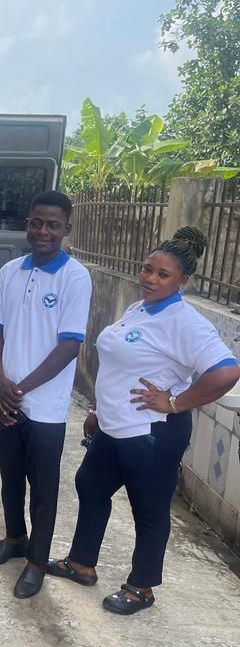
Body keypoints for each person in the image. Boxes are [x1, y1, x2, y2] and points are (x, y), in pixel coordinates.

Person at [46, 226, 239, 614]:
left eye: (162, 274)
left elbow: (226, 372)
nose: (149, 279)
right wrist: (101, 411)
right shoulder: (140, 308)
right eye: (147, 269)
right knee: (91, 486)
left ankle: (142, 587)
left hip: (152, 434)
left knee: (148, 509)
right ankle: (82, 563)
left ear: (182, 281)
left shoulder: (185, 322)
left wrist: (174, 402)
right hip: (114, 427)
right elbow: (122, 367)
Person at [0, 190, 92, 598]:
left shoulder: (75, 277)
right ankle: (14, 539)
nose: (42, 231)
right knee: (10, 478)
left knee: (43, 488)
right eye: (36, 222)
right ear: (26, 223)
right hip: (5, 399)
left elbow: (68, 346)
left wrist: (20, 389)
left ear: (65, 229)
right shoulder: (10, 271)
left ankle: (36, 561)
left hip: (44, 407)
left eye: (52, 225)